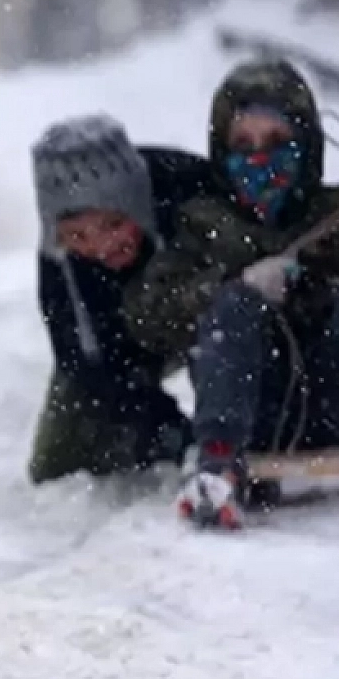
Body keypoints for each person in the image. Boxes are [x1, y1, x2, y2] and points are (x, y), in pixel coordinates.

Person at [122, 59, 339, 530]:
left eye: (276, 144)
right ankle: (217, 468)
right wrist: (234, 287)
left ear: (305, 146)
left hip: (337, 401)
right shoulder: (203, 225)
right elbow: (147, 315)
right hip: (251, 410)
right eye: (243, 146)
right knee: (232, 308)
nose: (259, 159)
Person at [27, 115, 222, 484]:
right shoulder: (60, 265)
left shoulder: (194, 194)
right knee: (56, 465)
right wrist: (167, 430)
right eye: (77, 236)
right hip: (130, 340)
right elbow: (85, 364)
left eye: (113, 226)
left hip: (209, 318)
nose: (100, 248)